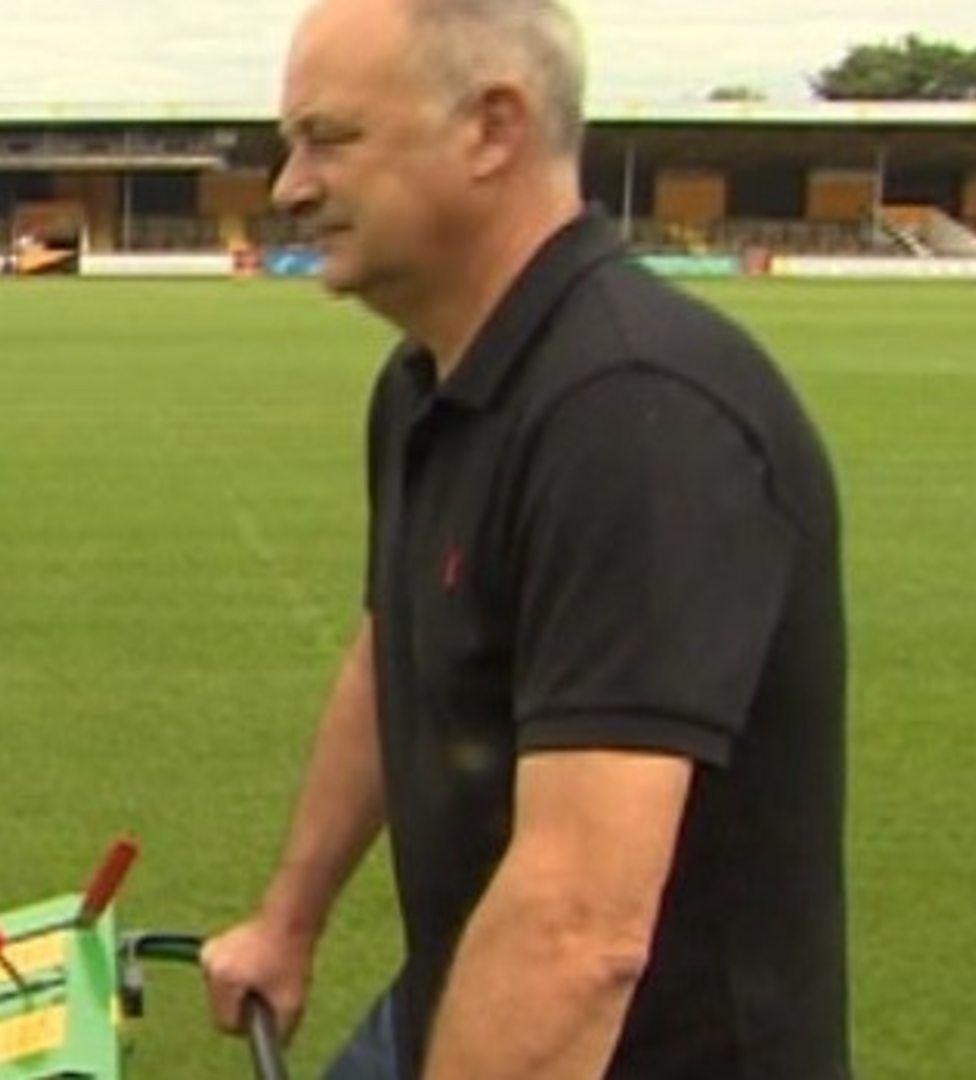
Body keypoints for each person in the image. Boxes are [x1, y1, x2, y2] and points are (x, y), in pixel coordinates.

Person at [199, 1, 849, 1077]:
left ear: (492, 128)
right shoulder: (425, 384)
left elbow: (579, 932)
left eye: (330, 137)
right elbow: (393, 653)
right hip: (452, 1001)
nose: (289, 188)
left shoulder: (636, 414)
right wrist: (290, 918)